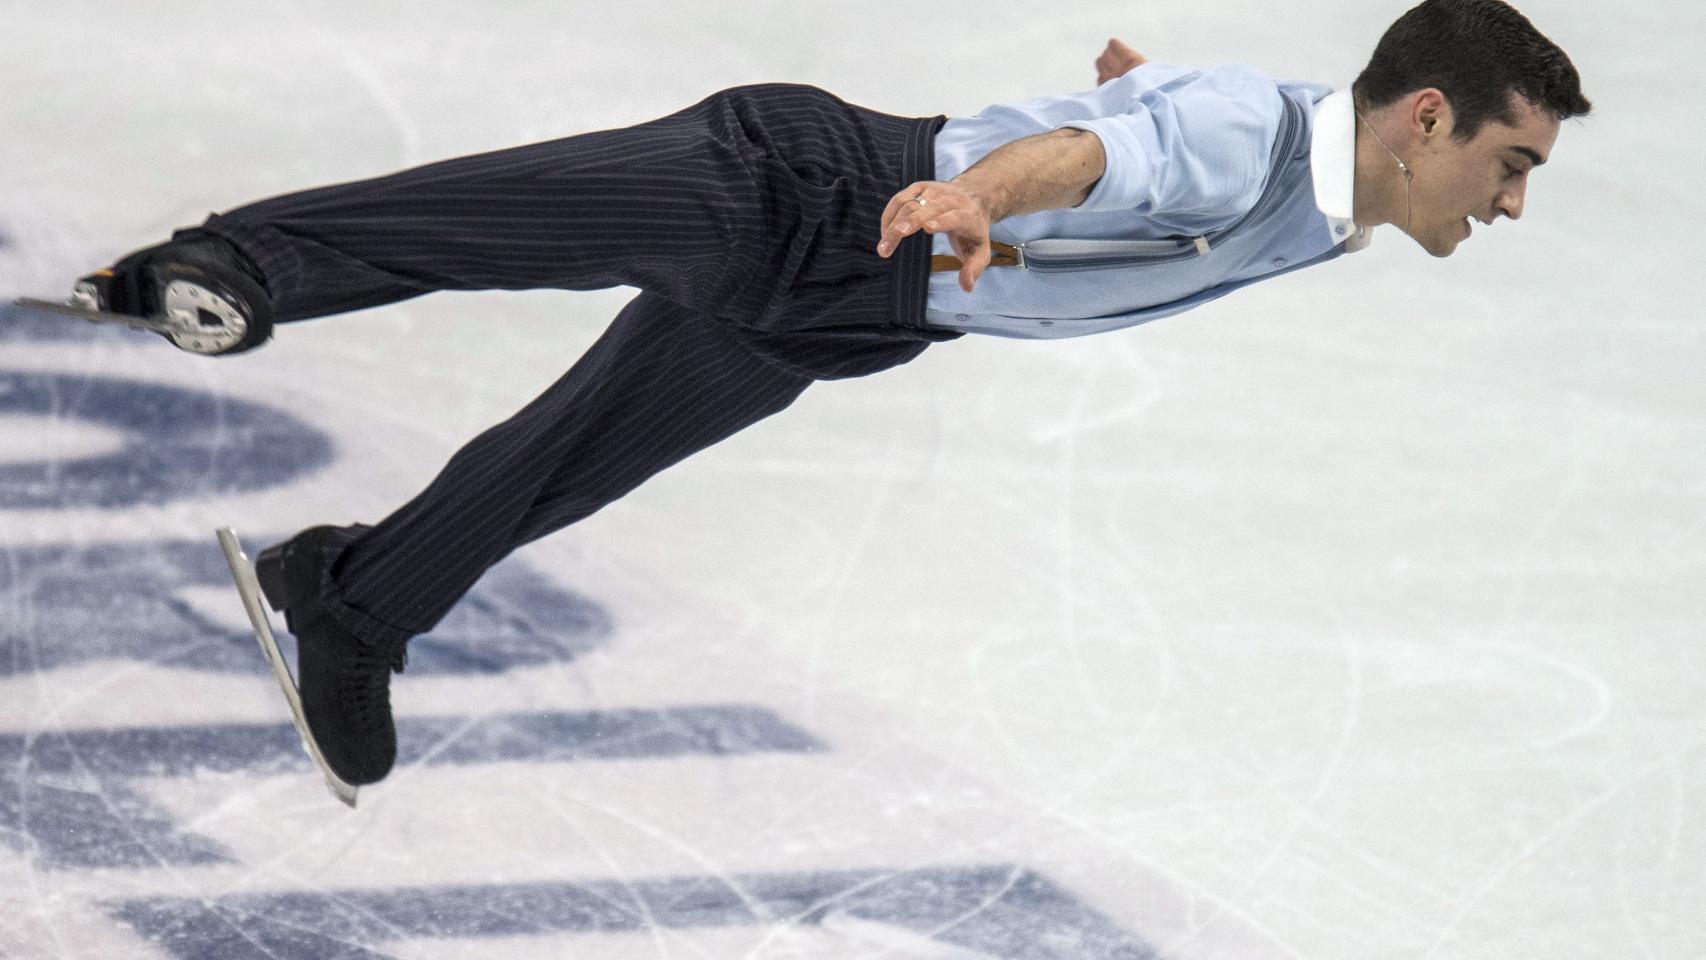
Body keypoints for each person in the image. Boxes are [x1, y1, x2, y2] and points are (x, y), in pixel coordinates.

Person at [61, 0, 1590, 789]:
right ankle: (230, 269)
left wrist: (1114, 99)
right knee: (509, 224)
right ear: (1428, 117)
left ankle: (349, 601)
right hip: (819, 195)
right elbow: (1087, 162)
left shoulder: (1311, 186)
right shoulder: (1253, 132)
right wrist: (979, 190)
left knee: (573, 459)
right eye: (1509, 165)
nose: (1511, 204)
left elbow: (1131, 134)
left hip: (866, 303)